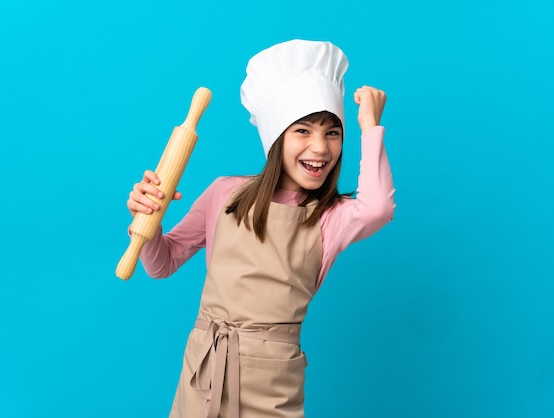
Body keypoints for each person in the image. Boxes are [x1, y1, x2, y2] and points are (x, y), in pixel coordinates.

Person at [126, 39, 396, 418]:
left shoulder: (331, 216)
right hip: (203, 365)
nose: (319, 147)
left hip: (271, 379)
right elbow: (162, 263)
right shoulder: (225, 193)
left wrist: (370, 126)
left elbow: (379, 207)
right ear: (275, 138)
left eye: (332, 133)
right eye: (302, 131)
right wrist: (149, 221)